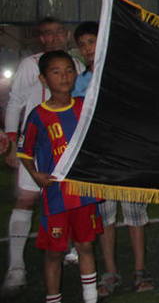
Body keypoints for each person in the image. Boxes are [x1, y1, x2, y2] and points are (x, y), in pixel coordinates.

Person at [1, 17, 84, 297]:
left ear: (66, 35)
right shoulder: (30, 65)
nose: (55, 37)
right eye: (48, 33)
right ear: (41, 38)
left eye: (59, 32)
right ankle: (16, 266)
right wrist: (12, 142)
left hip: (67, 145)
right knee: (27, 198)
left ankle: (71, 248)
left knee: (69, 197)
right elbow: (15, 103)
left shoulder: (76, 66)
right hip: (36, 144)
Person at [71, 21, 154, 296]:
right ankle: (110, 273)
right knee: (104, 218)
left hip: (128, 156)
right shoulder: (79, 82)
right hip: (98, 160)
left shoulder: (124, 74)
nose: (87, 49)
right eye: (82, 45)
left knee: (135, 216)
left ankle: (140, 271)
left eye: (91, 42)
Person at [16, 50, 102, 303]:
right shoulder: (38, 116)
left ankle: (91, 297)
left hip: (84, 193)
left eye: (69, 71)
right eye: (56, 72)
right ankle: (53, 298)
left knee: (85, 246)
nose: (64, 77)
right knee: (54, 252)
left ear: (75, 74)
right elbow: (24, 150)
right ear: (43, 79)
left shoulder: (85, 107)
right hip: (56, 196)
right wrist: (35, 174)